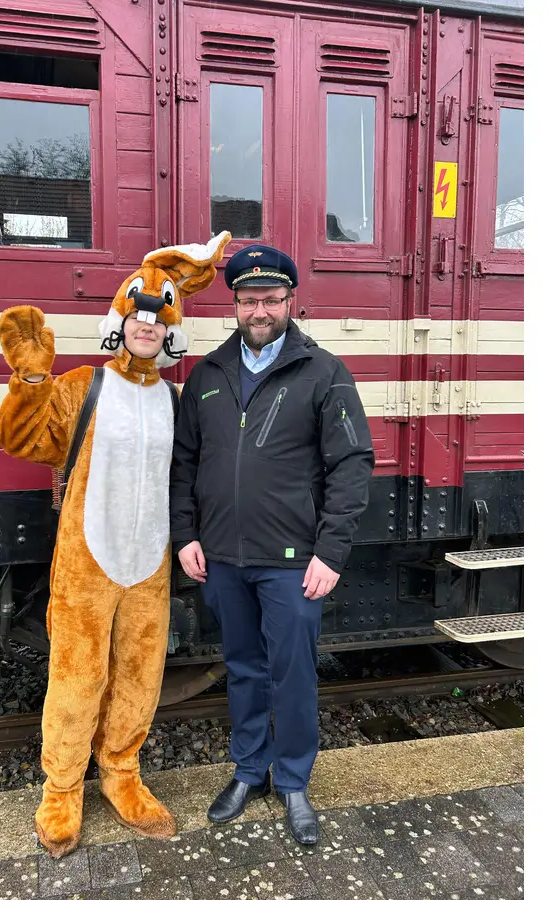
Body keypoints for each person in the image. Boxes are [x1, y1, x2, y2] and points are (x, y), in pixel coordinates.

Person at [0, 231, 231, 857]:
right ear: (120, 321)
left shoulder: (179, 402)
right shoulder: (81, 389)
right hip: (86, 566)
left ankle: (122, 773)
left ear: (170, 331)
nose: (146, 328)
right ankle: (62, 789)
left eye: (159, 320)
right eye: (137, 317)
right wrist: (31, 377)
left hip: (148, 566)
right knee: (75, 677)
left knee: (139, 676)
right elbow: (24, 441)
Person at [169, 244, 374, 845]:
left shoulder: (324, 372)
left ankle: (293, 782)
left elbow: (351, 465)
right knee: (243, 670)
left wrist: (331, 553)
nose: (260, 310)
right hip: (224, 559)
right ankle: (249, 769)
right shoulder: (207, 375)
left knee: (292, 672)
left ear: (290, 303)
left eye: (271, 299)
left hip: (292, 563)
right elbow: (184, 465)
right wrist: (186, 535)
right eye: (249, 300)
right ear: (234, 304)